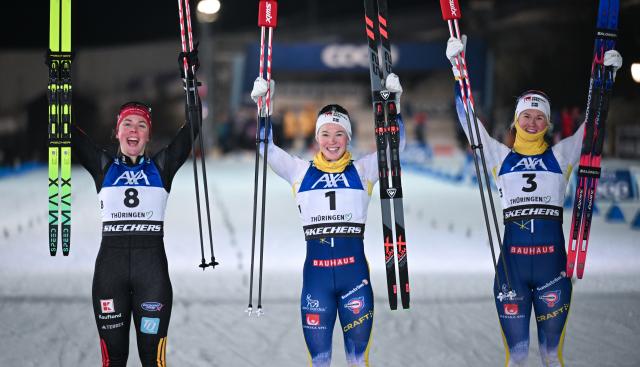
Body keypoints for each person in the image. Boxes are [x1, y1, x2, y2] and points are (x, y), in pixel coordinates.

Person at [445, 37, 623, 366]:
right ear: (515, 121)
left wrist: (606, 81)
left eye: (539, 117)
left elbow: (593, 129)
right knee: (517, 355)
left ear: (548, 123)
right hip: (510, 271)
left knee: (551, 355)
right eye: (525, 115)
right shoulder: (501, 157)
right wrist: (459, 72)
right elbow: (470, 124)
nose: (531, 122)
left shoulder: (561, 155)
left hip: (553, 269)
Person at [250, 74, 405, 366]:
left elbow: (395, 149)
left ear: (348, 137)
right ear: (316, 137)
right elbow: (264, 147)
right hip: (316, 283)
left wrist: (394, 105)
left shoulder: (363, 171)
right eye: (325, 134)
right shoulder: (299, 172)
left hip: (355, 282)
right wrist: (264, 108)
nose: (332, 142)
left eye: (338, 134)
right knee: (319, 362)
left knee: (358, 361)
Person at [71, 101, 199, 366]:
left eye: (141, 125)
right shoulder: (103, 166)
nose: (134, 130)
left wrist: (190, 83)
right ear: (117, 132)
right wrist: (56, 93)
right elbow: (67, 131)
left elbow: (192, 127)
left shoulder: (161, 167)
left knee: (153, 360)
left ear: (148, 135)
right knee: (114, 360)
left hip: (152, 278)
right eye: (127, 124)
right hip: (110, 275)